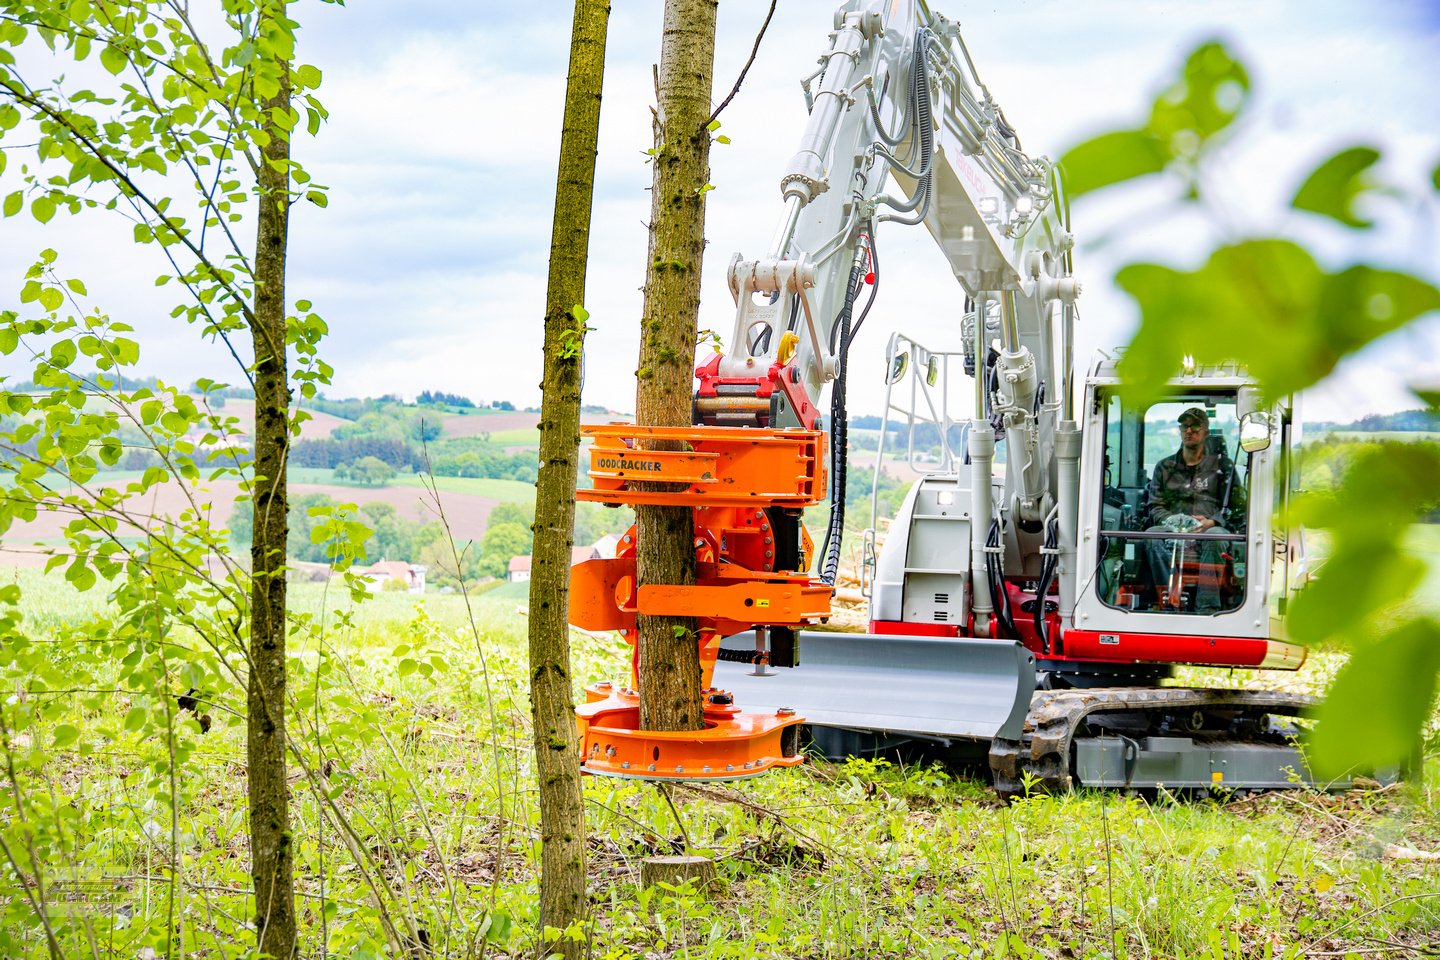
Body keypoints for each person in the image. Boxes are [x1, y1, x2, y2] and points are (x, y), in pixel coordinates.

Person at [1142, 407, 1246, 612]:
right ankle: (1170, 601)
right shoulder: (1164, 467)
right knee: (1151, 535)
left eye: (1195, 426)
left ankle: (1207, 607)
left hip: (1208, 530)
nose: (1189, 431)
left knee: (1214, 537)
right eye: (1185, 426)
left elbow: (1239, 507)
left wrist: (1213, 521)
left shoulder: (1223, 466)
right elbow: (1154, 506)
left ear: (1206, 432)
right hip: (1173, 531)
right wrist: (1171, 521)